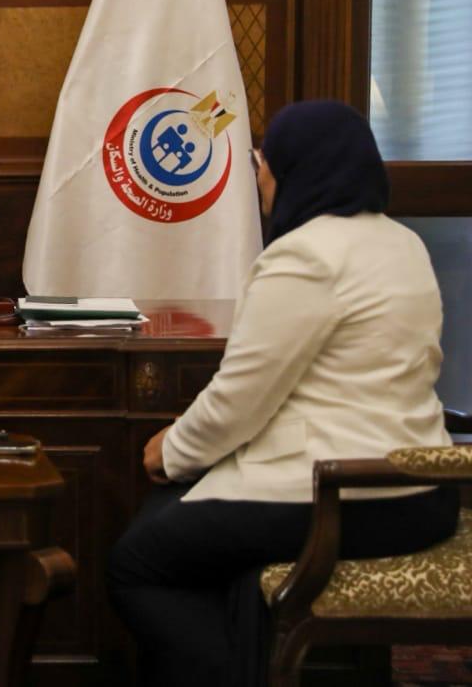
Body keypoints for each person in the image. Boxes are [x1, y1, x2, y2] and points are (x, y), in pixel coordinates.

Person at [106, 100, 459, 686]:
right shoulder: (401, 241)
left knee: (137, 561)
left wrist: (171, 450)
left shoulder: (305, 255)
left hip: (345, 494)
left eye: (261, 164)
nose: (259, 179)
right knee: (181, 525)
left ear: (296, 169)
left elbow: (240, 400)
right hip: (422, 489)